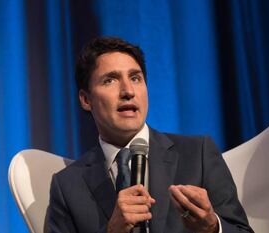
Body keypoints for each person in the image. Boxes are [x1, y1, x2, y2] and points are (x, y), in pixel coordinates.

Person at [44, 36, 253, 233]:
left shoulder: (198, 154)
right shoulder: (67, 187)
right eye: (110, 80)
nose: (128, 91)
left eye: (135, 78)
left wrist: (213, 228)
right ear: (85, 100)